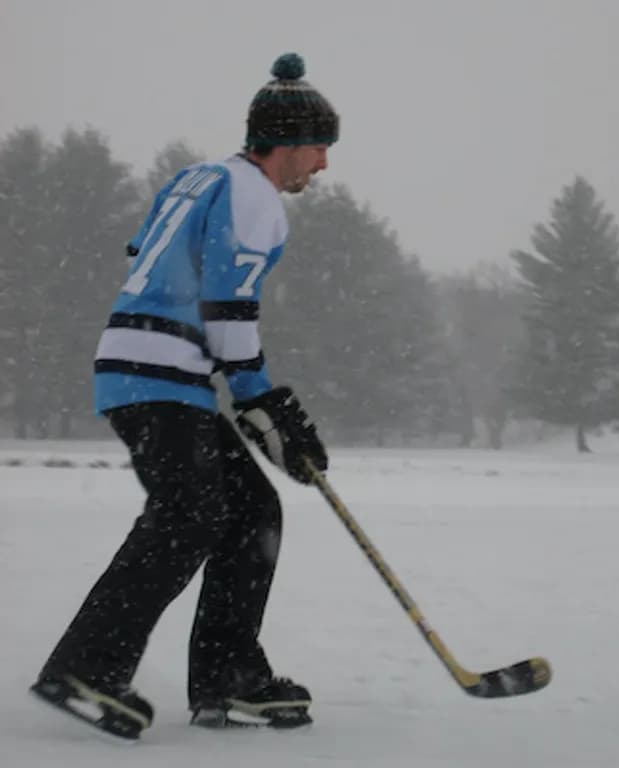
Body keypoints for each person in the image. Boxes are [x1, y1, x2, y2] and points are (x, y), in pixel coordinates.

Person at [30, 52, 338, 738]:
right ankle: (88, 666)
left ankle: (229, 676)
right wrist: (264, 401)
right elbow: (228, 306)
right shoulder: (258, 199)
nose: (323, 165)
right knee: (191, 512)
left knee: (250, 509)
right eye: (319, 149)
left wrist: (256, 403)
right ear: (287, 145)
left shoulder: (199, 176)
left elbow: (143, 253)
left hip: (144, 371)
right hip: (160, 376)